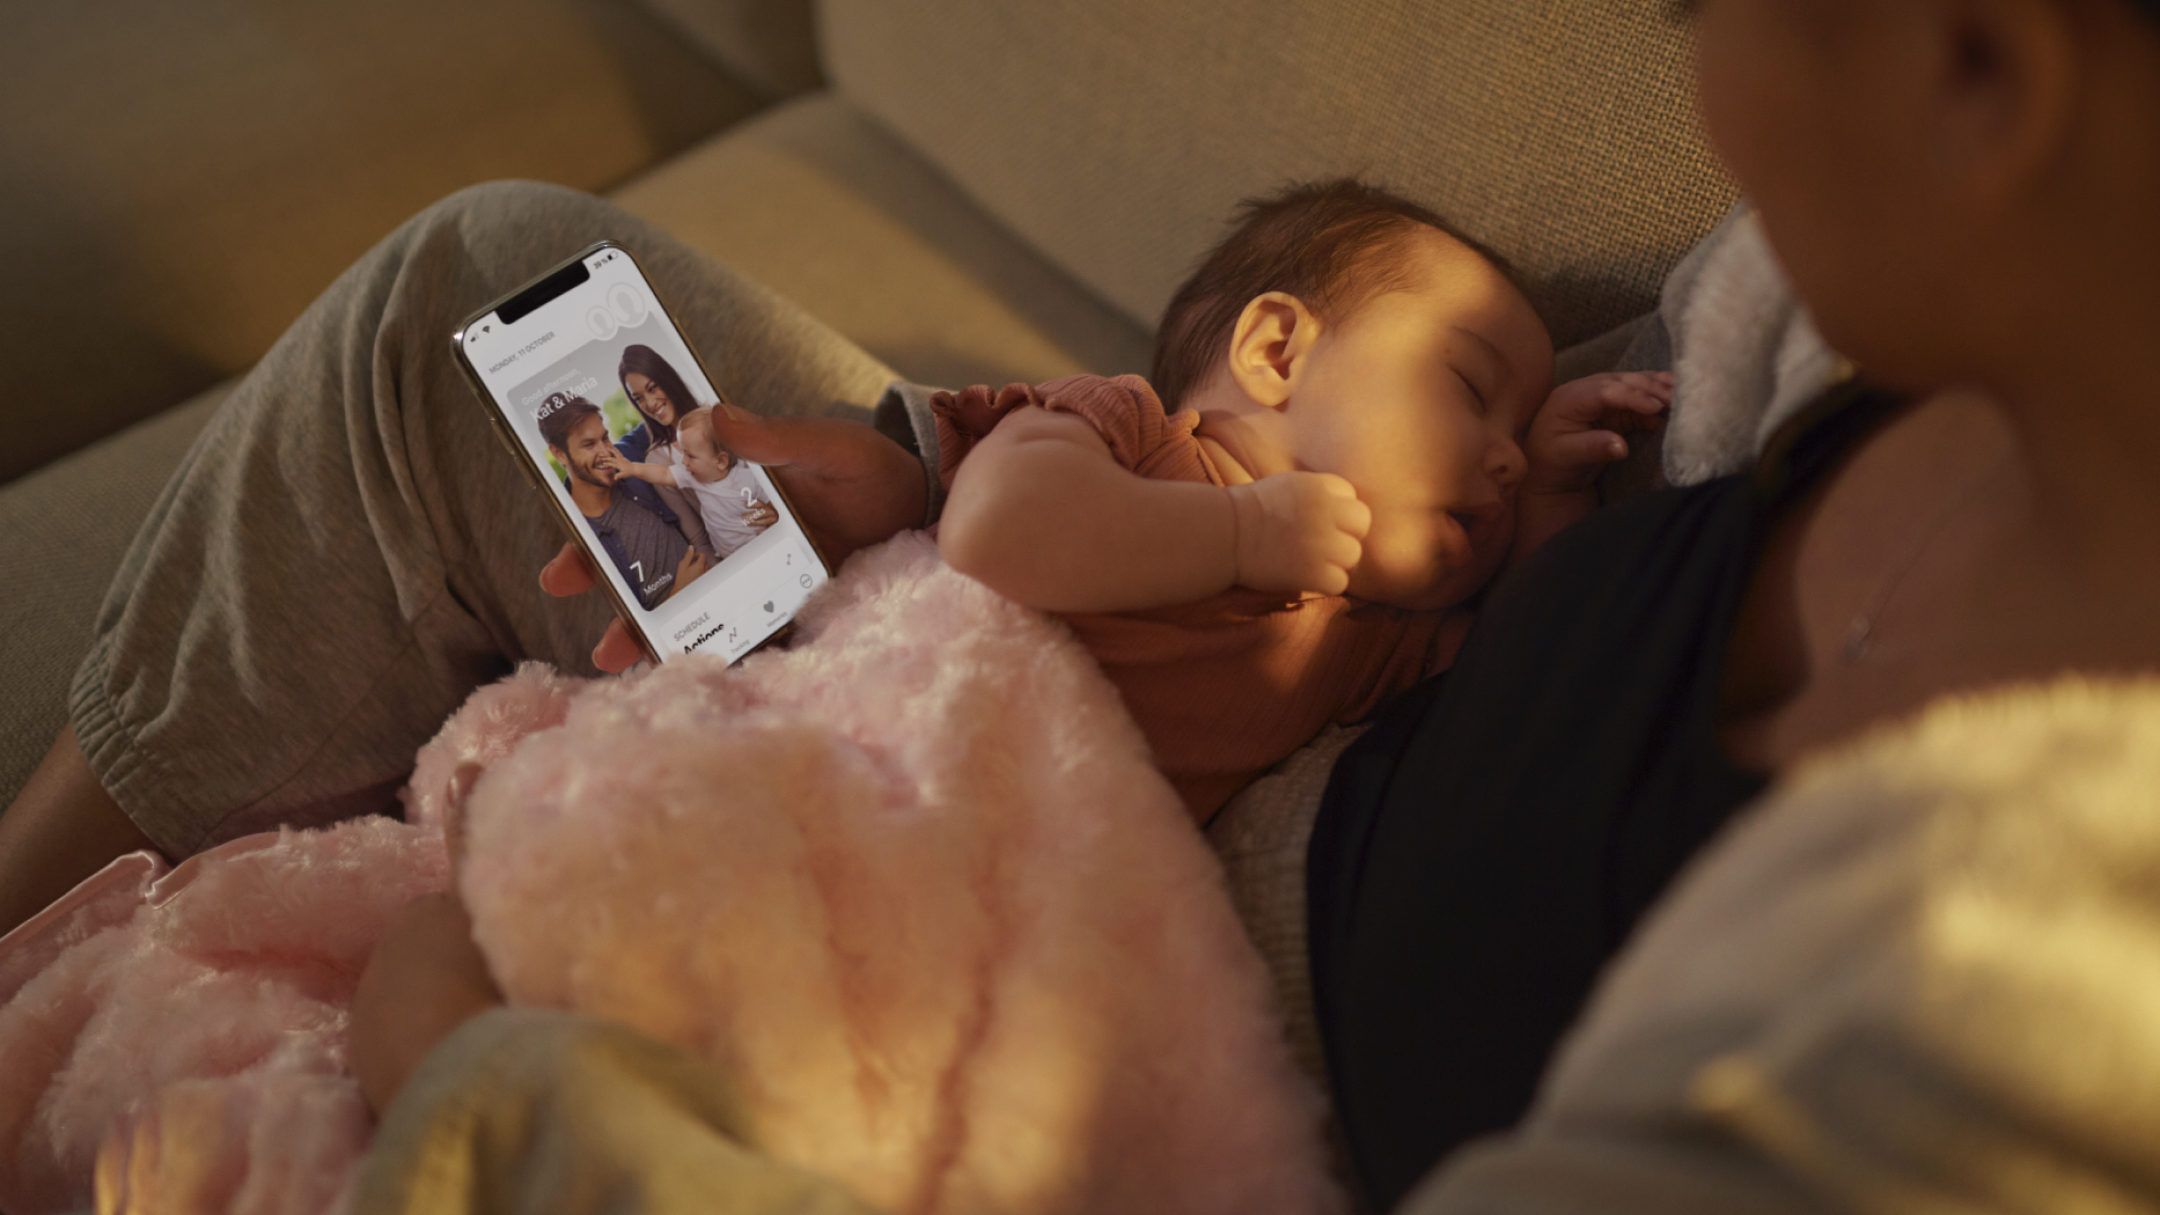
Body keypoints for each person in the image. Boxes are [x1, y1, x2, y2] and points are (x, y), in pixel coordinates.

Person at [10, 0, 2160, 1208]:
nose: (1703, 97)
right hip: (993, 622)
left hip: (1068, 925)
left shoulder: (1978, 1030)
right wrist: (931, 467)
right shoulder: (1834, 340)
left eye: (1724, 15)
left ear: (1991, 69)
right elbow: (1061, 524)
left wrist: (478, 1073)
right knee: (500, 298)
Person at [930, 180, 1670, 819]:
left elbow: (1532, 665)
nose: (1508, 454)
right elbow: (992, 529)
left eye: (1521, 429)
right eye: (1472, 388)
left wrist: (1550, 492)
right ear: (1277, 352)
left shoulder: (1362, 644)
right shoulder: (1128, 436)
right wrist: (1241, 533)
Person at [538, 393, 711, 611]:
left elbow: (676, 410)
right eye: (589, 444)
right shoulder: (578, 538)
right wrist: (681, 592)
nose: (605, 451)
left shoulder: (626, 456)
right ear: (559, 453)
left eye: (605, 438)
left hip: (719, 581)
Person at [609, 405, 780, 559]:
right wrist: (632, 468)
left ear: (721, 461)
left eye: (690, 455)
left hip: (760, 544)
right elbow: (664, 473)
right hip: (728, 556)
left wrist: (776, 515)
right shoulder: (692, 475)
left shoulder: (749, 479)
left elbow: (774, 503)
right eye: (683, 453)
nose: (683, 461)